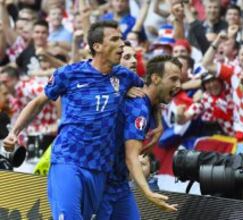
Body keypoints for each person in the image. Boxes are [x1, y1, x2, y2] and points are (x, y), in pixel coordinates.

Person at [3, 20, 144, 219]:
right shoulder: (69, 74)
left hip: (99, 167)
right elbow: (38, 102)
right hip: (68, 159)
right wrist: (14, 132)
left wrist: (157, 121)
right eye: (115, 39)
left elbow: (153, 94)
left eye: (121, 38)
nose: (122, 43)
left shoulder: (125, 77)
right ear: (97, 46)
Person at [97, 55, 181, 219]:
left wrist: (159, 124)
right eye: (173, 79)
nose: (179, 85)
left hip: (119, 183)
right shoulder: (138, 107)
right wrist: (148, 193)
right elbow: (131, 156)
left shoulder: (142, 94)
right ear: (156, 78)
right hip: (103, 181)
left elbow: (153, 98)